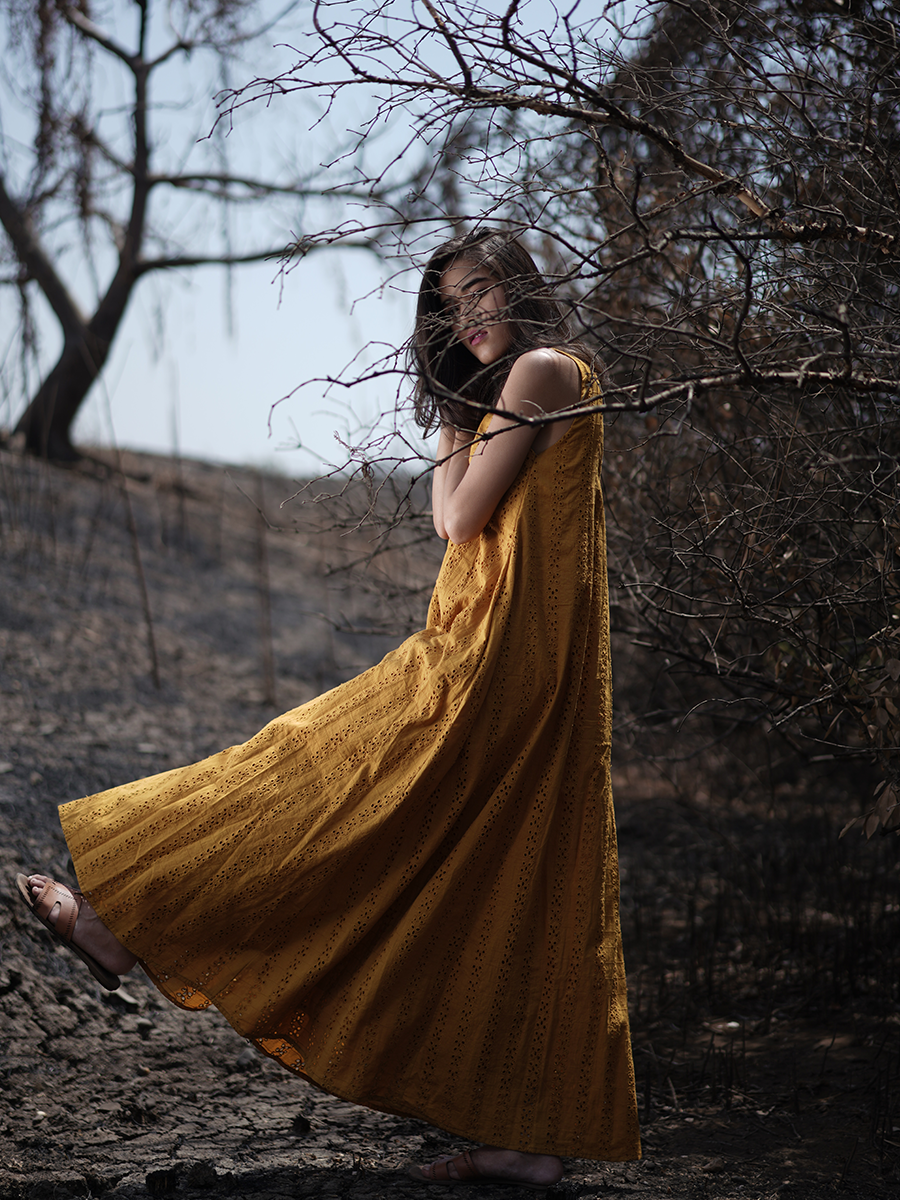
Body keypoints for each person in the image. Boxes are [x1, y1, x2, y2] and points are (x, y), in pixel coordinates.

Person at [16, 229, 640, 1189]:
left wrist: (450, 419)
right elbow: (455, 518)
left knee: (304, 774)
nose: (468, 315)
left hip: (488, 668)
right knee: (520, 883)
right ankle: (535, 1143)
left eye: (482, 293)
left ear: (522, 288)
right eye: (450, 305)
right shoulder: (514, 393)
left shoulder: (546, 370)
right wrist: (457, 415)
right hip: (519, 666)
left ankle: (122, 924)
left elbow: (459, 518)